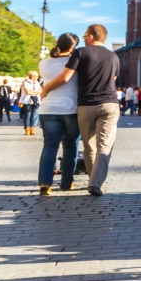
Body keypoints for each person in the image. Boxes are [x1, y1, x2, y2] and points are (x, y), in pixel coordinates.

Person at [40, 24, 121, 197]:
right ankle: (94, 183)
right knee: (104, 146)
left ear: (91, 37)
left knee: (89, 145)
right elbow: (113, 79)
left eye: (85, 36)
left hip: (86, 104)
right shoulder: (114, 56)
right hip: (109, 104)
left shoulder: (81, 52)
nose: (83, 39)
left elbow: (66, 76)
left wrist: (45, 89)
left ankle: (87, 180)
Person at [37, 33, 81, 195]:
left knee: (50, 146)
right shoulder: (75, 64)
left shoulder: (43, 63)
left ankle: (45, 183)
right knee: (70, 146)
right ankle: (66, 183)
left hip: (48, 110)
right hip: (70, 110)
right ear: (72, 47)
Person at [18, 71, 42, 136]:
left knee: (34, 115)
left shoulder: (37, 83)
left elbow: (40, 91)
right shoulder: (25, 83)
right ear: (32, 76)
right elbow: (27, 92)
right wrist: (35, 92)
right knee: (27, 115)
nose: (37, 77)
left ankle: (32, 128)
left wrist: (33, 92)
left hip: (36, 100)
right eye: (36, 76)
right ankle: (27, 129)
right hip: (27, 101)